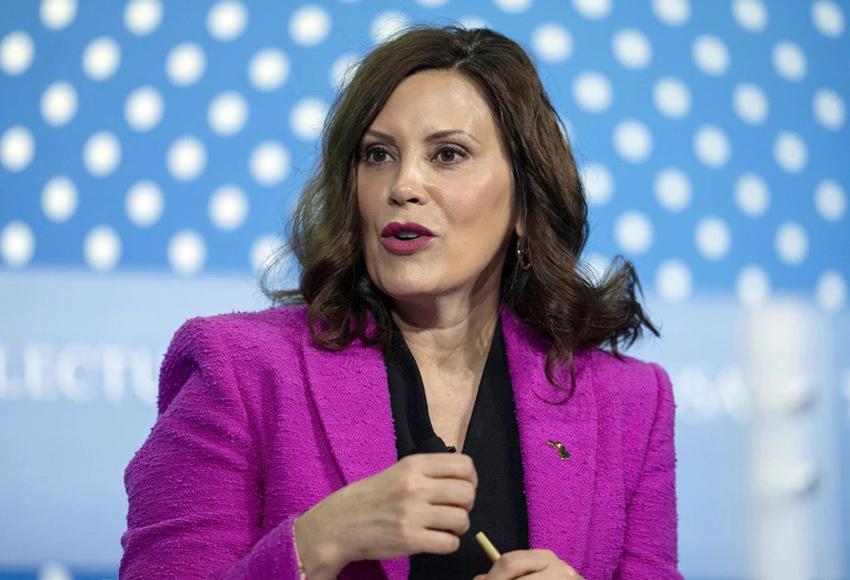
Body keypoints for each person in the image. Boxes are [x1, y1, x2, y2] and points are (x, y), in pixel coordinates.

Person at [120, 24, 683, 580]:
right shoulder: (240, 368)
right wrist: (317, 543)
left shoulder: (629, 403)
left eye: (448, 155)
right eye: (378, 154)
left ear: (524, 203)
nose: (403, 184)